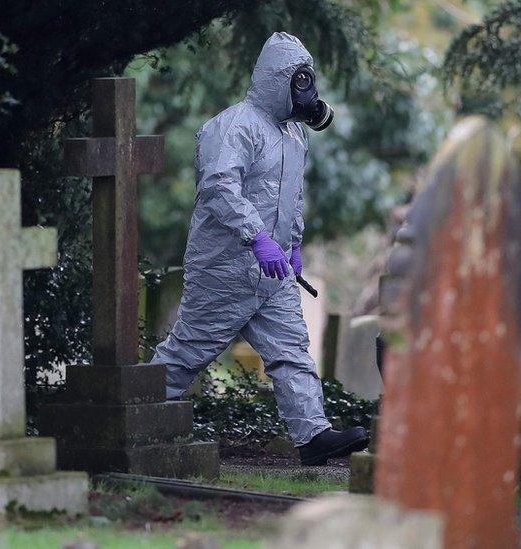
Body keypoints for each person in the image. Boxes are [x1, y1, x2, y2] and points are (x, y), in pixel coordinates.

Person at [152, 32, 368, 466]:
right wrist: (258, 237)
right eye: (299, 81)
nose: (305, 92)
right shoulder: (234, 127)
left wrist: (293, 244)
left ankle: (314, 437)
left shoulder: (293, 136)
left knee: (291, 352)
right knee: (186, 353)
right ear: (279, 80)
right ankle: (129, 415)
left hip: (272, 273)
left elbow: (291, 197)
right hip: (224, 268)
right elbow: (218, 186)